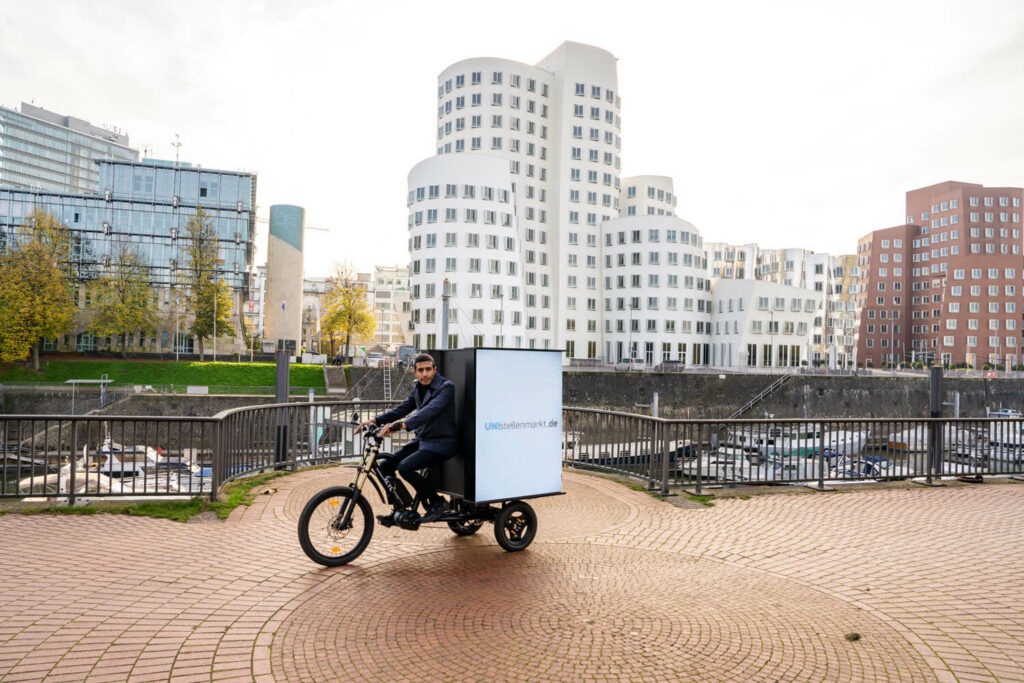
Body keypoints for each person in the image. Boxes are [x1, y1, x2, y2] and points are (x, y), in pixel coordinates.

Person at [359, 353, 456, 523]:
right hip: (422, 440)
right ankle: (401, 508)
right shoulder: (417, 387)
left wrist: (402, 425)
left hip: (441, 442)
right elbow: (402, 409)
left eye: (428, 369)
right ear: (415, 372)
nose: (424, 374)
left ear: (435, 369)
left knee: (405, 468)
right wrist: (375, 420)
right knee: (386, 466)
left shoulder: (446, 387)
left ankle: (437, 503)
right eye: (420, 370)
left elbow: (429, 411)